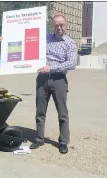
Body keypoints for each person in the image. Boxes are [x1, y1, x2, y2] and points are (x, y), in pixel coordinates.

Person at [29, 14, 77, 154]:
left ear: (65, 25)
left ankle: (63, 141)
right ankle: (39, 138)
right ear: (53, 26)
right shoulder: (45, 38)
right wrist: (6, 40)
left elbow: (72, 63)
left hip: (59, 80)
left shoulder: (70, 43)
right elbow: (28, 44)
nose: (59, 28)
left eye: (61, 25)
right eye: (56, 25)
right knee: (40, 111)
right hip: (42, 79)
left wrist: (52, 68)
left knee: (62, 112)